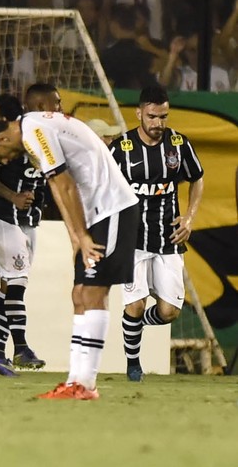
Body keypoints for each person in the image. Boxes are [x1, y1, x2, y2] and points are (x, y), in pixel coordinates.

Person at [0, 82, 139, 400]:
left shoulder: (34, 131)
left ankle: (85, 384)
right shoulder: (35, 129)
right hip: (95, 212)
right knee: (80, 294)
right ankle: (76, 380)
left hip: (112, 207)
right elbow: (59, 186)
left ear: (3, 139)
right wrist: (76, 236)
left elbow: (65, 185)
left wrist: (81, 235)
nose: (5, 160)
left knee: (93, 293)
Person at [110, 85, 204, 382]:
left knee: (169, 312)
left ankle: (133, 325)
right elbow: (103, 188)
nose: (158, 123)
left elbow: (198, 178)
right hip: (132, 241)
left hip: (168, 239)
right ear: (139, 113)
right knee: (135, 305)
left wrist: (189, 218)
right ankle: (133, 365)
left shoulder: (178, 144)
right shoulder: (121, 148)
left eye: (163, 116)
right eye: (152, 116)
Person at [0, 95, 47, 377]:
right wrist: (12, 196)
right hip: (3, 217)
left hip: (28, 220)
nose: (58, 108)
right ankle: (21, 347)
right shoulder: (13, 140)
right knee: (17, 280)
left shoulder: (47, 141)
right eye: (54, 103)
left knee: (8, 285)